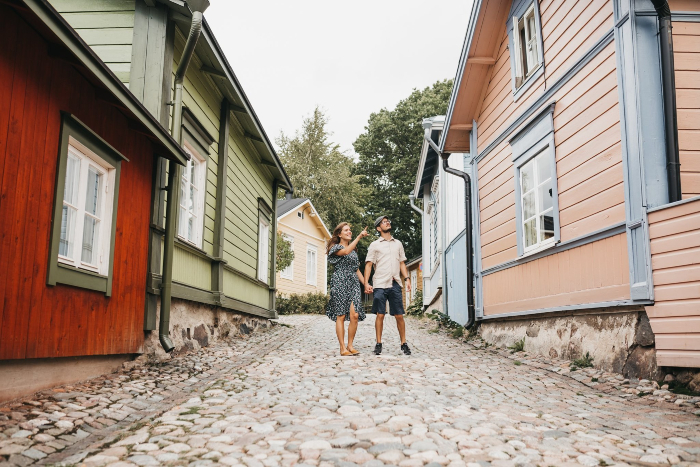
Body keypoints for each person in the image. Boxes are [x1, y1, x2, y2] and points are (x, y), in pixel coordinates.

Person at [363, 215, 411, 356]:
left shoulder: (398, 244)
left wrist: (407, 279)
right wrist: (366, 283)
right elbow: (369, 264)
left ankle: (404, 343)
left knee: (399, 315)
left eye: (388, 221)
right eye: (384, 222)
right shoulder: (374, 245)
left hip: (395, 282)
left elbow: (402, 262)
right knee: (380, 314)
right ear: (379, 228)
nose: (387, 222)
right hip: (379, 283)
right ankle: (378, 343)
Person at [326, 223, 370, 356]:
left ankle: (350, 345)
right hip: (340, 281)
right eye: (346, 230)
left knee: (355, 315)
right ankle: (342, 347)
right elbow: (345, 252)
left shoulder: (353, 249)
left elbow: (356, 269)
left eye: (350, 230)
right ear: (339, 234)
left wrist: (365, 284)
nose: (349, 232)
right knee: (341, 315)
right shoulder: (335, 248)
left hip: (353, 283)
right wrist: (359, 236)